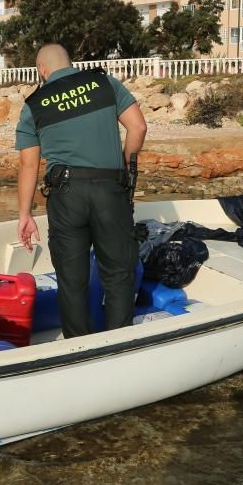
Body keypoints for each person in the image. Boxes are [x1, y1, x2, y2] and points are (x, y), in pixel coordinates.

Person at [15, 44, 147, 339]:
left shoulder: (34, 104)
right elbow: (138, 127)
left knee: (72, 280)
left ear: (42, 71)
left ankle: (77, 347)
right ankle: (118, 342)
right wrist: (125, 163)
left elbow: (28, 164)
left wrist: (25, 214)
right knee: (118, 273)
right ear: (70, 63)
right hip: (110, 190)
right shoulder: (104, 82)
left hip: (66, 195)